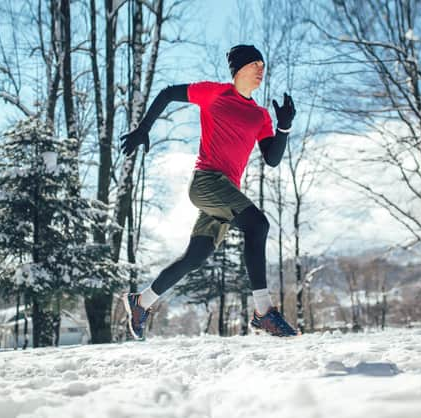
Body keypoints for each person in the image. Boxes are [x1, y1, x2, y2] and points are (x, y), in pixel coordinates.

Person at [120, 44, 298, 339]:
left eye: (263, 67)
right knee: (258, 225)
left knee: (195, 256)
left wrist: (284, 128)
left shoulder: (260, 116)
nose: (260, 71)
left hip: (225, 193)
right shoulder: (214, 93)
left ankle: (141, 303)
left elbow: (272, 158)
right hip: (206, 182)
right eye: (255, 64)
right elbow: (167, 94)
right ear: (238, 69)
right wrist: (143, 129)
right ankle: (263, 312)